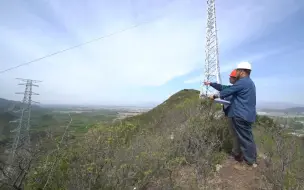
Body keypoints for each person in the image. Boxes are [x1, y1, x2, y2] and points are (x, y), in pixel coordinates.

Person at [210, 62, 257, 167]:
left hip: (241, 114)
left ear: (242, 71)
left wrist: (214, 96)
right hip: (248, 114)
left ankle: (249, 161)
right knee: (248, 137)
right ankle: (252, 158)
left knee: (244, 139)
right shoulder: (250, 82)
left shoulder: (242, 82)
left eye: (238, 70)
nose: (237, 73)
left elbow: (229, 90)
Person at [204, 70, 242, 162]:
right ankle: (237, 152)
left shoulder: (236, 89)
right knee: (235, 134)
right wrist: (210, 83)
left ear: (235, 79)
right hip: (231, 114)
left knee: (237, 134)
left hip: (235, 115)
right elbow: (221, 87)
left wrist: (215, 97)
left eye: (230, 77)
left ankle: (238, 153)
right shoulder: (231, 87)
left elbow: (223, 92)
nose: (229, 78)